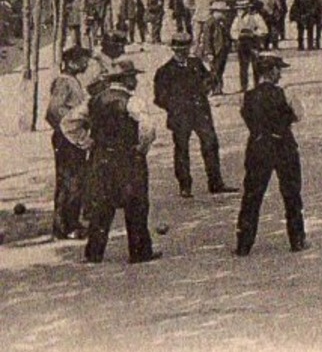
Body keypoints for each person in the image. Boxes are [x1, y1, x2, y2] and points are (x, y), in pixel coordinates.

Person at [82, 59, 162, 264]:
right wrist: (141, 148)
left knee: (101, 204)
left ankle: (94, 253)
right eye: (132, 76)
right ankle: (139, 251)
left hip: (101, 158)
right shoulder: (133, 101)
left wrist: (87, 142)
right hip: (127, 157)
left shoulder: (94, 100)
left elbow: (69, 123)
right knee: (135, 203)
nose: (135, 80)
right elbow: (148, 128)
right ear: (126, 79)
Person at [235, 54, 306, 255]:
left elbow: (246, 117)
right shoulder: (287, 94)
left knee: (252, 196)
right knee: (291, 194)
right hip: (283, 146)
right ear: (271, 71)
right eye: (278, 69)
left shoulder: (245, 96)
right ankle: (297, 240)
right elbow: (299, 115)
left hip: (258, 146)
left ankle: (243, 244)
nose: (280, 73)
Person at [152, 33, 235, 198]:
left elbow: (208, 81)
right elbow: (159, 98)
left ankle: (215, 182)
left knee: (210, 144)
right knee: (182, 149)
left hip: (200, 112)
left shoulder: (196, 64)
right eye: (178, 49)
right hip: (180, 116)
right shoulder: (165, 71)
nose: (182, 52)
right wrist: (175, 107)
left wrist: (211, 81)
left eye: (185, 48)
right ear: (173, 49)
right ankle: (185, 185)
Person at [45, 47, 93, 240]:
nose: (86, 64)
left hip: (72, 136)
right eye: (82, 61)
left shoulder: (73, 81)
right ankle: (66, 226)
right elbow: (53, 111)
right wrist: (70, 127)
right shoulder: (64, 82)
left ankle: (69, 224)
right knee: (70, 181)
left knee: (76, 180)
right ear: (71, 62)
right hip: (67, 138)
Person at [231, 1, 269, 92]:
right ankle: (243, 86)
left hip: (253, 43)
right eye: (238, 9)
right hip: (242, 43)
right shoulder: (237, 19)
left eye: (242, 9)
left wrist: (254, 33)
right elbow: (232, 31)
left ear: (247, 9)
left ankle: (257, 85)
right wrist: (238, 35)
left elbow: (264, 29)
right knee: (243, 66)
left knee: (256, 65)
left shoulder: (256, 17)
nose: (240, 11)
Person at [197, 0, 233, 95]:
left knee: (220, 69)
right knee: (215, 70)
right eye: (222, 12)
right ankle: (214, 89)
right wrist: (209, 52)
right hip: (215, 50)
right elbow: (207, 39)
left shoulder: (222, 22)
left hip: (222, 49)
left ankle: (218, 88)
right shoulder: (209, 23)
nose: (224, 14)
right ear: (216, 12)